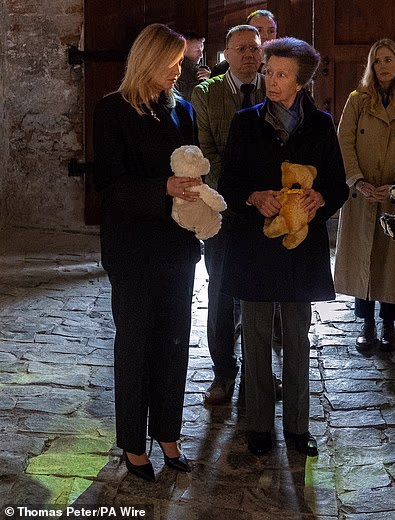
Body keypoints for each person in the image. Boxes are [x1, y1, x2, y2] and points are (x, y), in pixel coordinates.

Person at [218, 37, 349, 456]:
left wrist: (321, 197)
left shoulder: (322, 124)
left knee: (297, 337)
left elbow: (336, 183)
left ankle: (297, 427)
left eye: (280, 74)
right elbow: (228, 184)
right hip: (255, 245)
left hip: (300, 247)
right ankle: (258, 424)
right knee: (254, 337)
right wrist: (255, 197)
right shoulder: (245, 122)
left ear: (300, 81)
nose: (271, 80)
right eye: (268, 72)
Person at [93, 23, 201, 482]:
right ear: (148, 62)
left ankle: (169, 435)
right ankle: (134, 444)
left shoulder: (184, 112)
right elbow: (111, 186)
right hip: (133, 250)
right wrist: (164, 188)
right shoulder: (111, 112)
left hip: (176, 248)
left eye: (181, 63)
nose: (179, 71)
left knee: (174, 345)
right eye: (172, 63)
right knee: (135, 346)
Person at [191, 25, 266, 406]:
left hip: (267, 211)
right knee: (221, 292)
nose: (249, 55)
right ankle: (223, 372)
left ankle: (260, 373)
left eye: (255, 48)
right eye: (241, 49)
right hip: (222, 210)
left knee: (261, 293)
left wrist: (263, 195)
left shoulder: (277, 88)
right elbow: (206, 155)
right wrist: (244, 194)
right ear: (226, 53)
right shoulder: (206, 94)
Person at [334, 39, 395, 352]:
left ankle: (388, 323)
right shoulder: (358, 99)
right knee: (363, 255)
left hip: (393, 193)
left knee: (391, 261)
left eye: (388, 60)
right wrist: (357, 181)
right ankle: (366, 322)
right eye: (376, 61)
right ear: (370, 67)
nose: (383, 66)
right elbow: (344, 142)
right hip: (363, 193)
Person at [210, 9, 277, 77]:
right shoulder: (222, 69)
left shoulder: (283, 64)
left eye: (271, 31)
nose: (266, 36)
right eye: (259, 30)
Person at [175, 32, 211, 101]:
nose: (201, 55)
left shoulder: (204, 70)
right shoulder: (177, 72)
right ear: (183, 51)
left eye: (202, 51)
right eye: (197, 51)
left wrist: (211, 78)